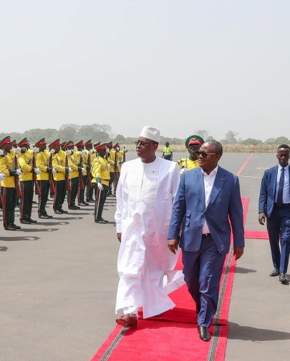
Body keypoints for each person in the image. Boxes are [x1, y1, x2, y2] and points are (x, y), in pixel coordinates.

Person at [168, 140, 245, 342]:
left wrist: (239, 241)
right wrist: (172, 234)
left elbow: (236, 213)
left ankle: (204, 321)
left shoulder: (230, 180)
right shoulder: (188, 177)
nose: (199, 156)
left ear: (217, 156)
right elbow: (179, 208)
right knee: (191, 279)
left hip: (215, 241)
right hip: (191, 238)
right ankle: (203, 306)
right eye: (199, 153)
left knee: (208, 282)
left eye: (204, 154)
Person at [114, 126, 182, 327]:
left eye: (142, 143)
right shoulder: (127, 167)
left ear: (154, 146)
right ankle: (130, 311)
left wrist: (174, 231)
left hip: (158, 232)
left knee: (153, 271)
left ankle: (153, 304)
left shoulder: (169, 169)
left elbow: (177, 200)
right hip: (132, 229)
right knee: (129, 269)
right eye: (137, 142)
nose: (138, 146)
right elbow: (121, 199)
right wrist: (119, 225)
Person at [258, 144, 290, 284]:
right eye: (280, 155)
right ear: (277, 156)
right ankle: (276, 266)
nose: (283, 157)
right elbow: (263, 194)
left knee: (286, 239)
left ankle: (283, 271)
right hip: (272, 210)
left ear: (289, 156)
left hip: (287, 211)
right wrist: (261, 211)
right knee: (273, 239)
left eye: (285, 155)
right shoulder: (269, 173)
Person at [0, 136, 22, 230]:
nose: (10, 145)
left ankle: (11, 222)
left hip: (14, 183)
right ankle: (7, 224)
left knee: (12, 205)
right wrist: (15, 172)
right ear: (3, 145)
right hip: (6, 184)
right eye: (8, 144)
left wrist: (21, 149)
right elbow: (4, 171)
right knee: (7, 206)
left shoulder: (12, 153)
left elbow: (19, 154)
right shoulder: (2, 156)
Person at [17, 138, 36, 224]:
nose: (28, 146)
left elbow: (33, 154)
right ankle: (23, 217)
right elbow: (23, 166)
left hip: (30, 179)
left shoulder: (29, 153)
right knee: (24, 200)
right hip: (24, 179)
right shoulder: (20, 156)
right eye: (26, 145)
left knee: (29, 199)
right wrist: (32, 169)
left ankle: (28, 216)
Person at [91, 143, 112, 223]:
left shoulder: (104, 159)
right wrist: (98, 182)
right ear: (99, 151)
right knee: (99, 202)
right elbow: (97, 172)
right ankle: (97, 218)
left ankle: (100, 216)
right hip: (101, 182)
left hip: (105, 182)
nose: (105, 152)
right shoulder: (97, 160)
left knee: (102, 202)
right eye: (104, 150)